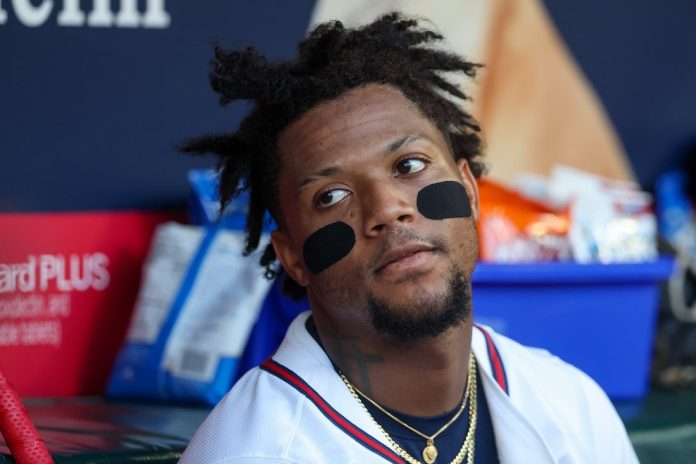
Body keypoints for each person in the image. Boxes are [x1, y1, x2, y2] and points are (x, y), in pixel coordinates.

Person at [179, 13, 637, 464]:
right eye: (332, 195)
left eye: (410, 165)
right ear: (293, 257)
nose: (386, 208)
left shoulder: (572, 407)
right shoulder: (255, 452)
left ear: (469, 190)